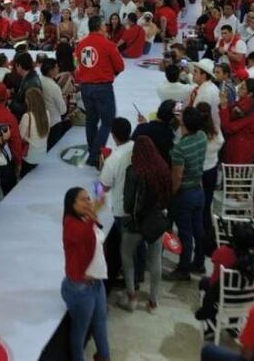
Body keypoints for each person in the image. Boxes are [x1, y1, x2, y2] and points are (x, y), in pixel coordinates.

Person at [118, 136, 171, 313]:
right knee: (155, 259)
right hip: (156, 223)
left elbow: (128, 202)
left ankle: (131, 296)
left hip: (135, 223)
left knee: (127, 255)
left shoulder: (133, 171)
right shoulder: (163, 169)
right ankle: (153, 301)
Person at [61, 186, 111, 361]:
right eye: (83, 199)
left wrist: (93, 215)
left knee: (101, 322)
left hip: (96, 284)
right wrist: (93, 213)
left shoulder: (87, 218)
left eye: (89, 198)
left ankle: (104, 356)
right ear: (71, 204)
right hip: (79, 288)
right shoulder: (69, 223)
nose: (88, 201)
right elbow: (81, 236)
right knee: (80, 331)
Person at [74, 15, 125, 167]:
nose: (106, 27)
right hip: (102, 87)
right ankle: (95, 155)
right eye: (104, 25)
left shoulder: (81, 45)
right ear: (100, 27)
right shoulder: (108, 44)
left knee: (91, 119)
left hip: (85, 87)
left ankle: (93, 150)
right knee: (108, 121)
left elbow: (81, 64)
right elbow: (120, 66)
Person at [167, 106, 208, 279]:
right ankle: (199, 263)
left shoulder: (180, 149)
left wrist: (170, 195)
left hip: (184, 194)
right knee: (198, 230)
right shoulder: (202, 137)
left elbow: (177, 176)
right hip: (199, 190)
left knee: (185, 234)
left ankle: (183, 269)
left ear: (184, 122)